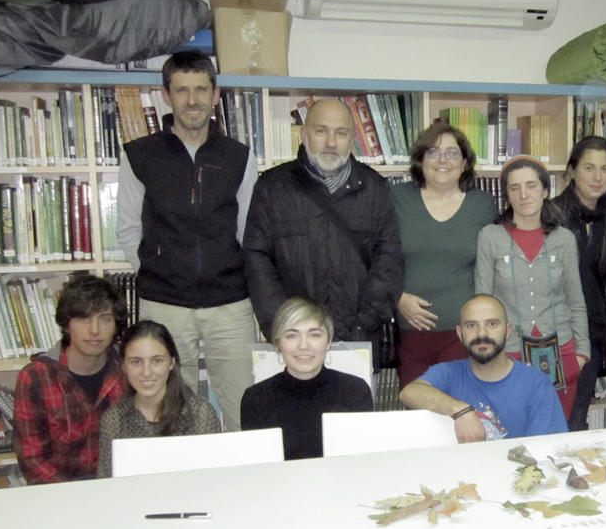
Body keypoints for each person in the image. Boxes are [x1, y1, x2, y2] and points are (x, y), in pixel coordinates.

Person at [116, 50, 257, 431]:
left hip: (230, 304)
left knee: (244, 409)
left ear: (215, 95)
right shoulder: (139, 156)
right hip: (164, 305)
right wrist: (158, 274)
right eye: (182, 90)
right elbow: (128, 229)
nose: (192, 100)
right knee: (168, 413)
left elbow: (248, 231)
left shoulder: (239, 157)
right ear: (167, 95)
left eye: (200, 89)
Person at [243, 98, 403, 344]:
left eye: (341, 133)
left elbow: (388, 261)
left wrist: (363, 325)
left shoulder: (375, 188)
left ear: (352, 140)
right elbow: (258, 264)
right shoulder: (272, 188)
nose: (330, 142)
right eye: (321, 131)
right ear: (304, 135)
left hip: (358, 338)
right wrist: (285, 329)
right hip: (295, 342)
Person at [474, 156, 590, 419]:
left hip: (561, 354)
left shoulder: (564, 239)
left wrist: (581, 353)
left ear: (546, 191)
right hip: (508, 355)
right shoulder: (490, 237)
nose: (523, 194)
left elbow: (575, 301)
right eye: (515, 188)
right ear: (507, 195)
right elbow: (482, 304)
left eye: (531, 186)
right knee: (512, 435)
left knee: (554, 435)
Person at [391, 124, 498, 387]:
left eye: (452, 153)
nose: (442, 160)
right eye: (433, 152)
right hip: (412, 333)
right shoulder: (394, 198)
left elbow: (496, 266)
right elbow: (373, 257)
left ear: (464, 162)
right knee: (419, 416)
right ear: (420, 159)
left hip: (467, 334)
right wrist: (396, 296)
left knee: (465, 415)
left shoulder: (483, 204)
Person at [400, 294, 567, 442]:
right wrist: (461, 410)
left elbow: (547, 451)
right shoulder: (449, 373)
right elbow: (409, 392)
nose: (481, 333)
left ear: (507, 331)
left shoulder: (536, 384)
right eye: (472, 325)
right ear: (460, 333)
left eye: (492, 324)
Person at [13, 275, 128, 483]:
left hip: (118, 486)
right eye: (84, 318)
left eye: (104, 319)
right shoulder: (35, 377)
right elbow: (32, 461)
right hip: (60, 491)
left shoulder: (129, 370)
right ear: (66, 324)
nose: (94, 330)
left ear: (115, 325)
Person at [240, 298, 373, 460]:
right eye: (292, 336)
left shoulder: (355, 391)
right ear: (278, 343)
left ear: (329, 341)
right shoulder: (255, 398)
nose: (304, 346)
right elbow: (258, 468)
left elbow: (361, 461)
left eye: (314, 335)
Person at [550, 136, 606, 430]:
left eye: (605, 169)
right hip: (551, 334)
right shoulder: (549, 215)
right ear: (571, 170)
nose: (597, 177)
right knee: (548, 415)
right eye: (589, 167)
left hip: (592, 337)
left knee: (577, 418)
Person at [96, 320, 221, 478]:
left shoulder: (200, 413)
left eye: (157, 361)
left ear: (172, 363)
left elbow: (214, 480)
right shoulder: (114, 419)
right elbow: (107, 484)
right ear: (124, 366)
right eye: (136, 362)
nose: (146, 372)